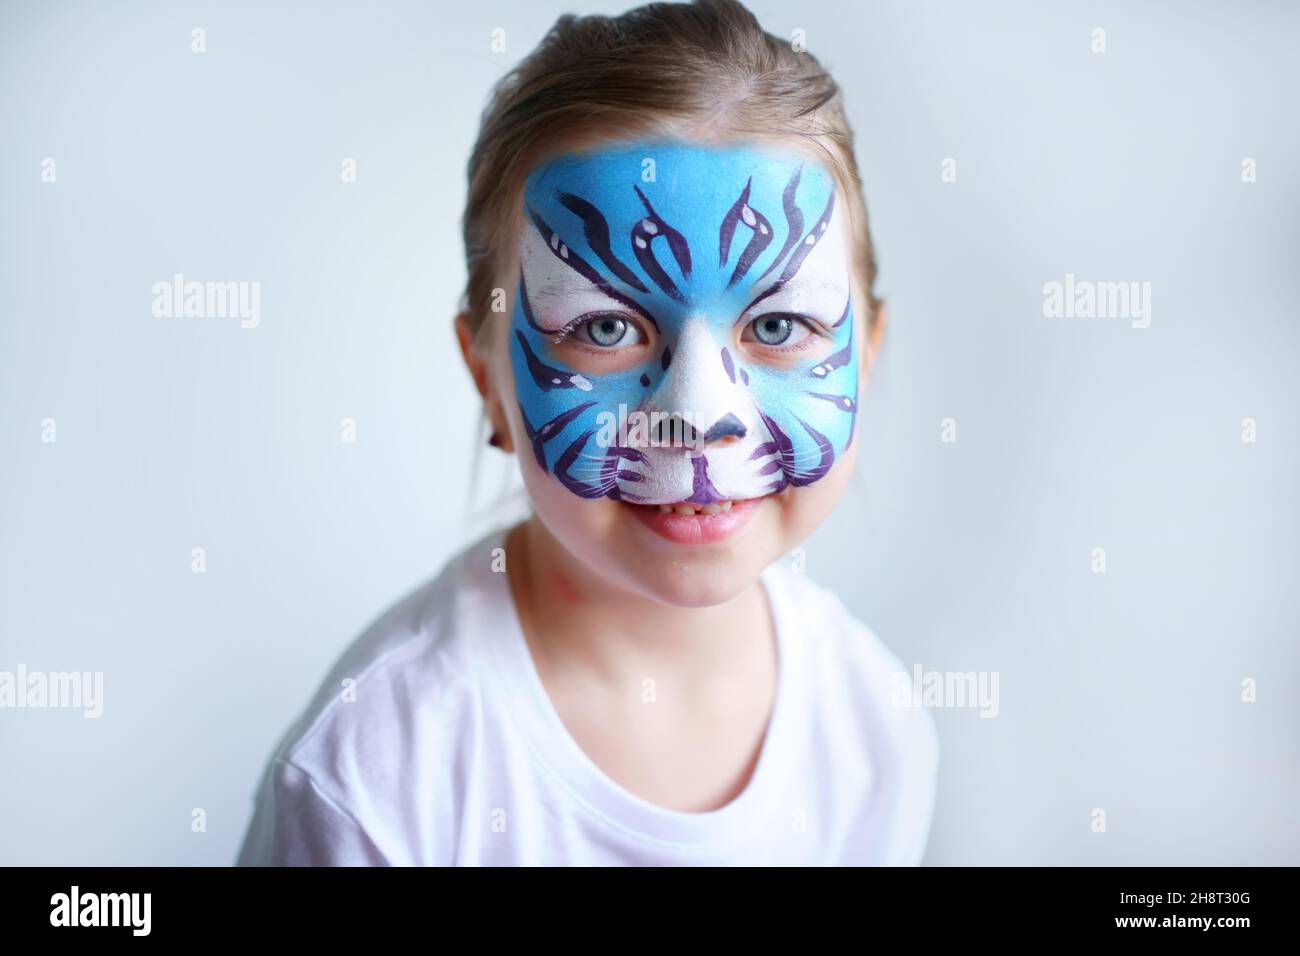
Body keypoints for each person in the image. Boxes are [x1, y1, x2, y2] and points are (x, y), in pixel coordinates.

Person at [237, 0, 937, 866]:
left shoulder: (871, 723)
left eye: (779, 326)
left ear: (867, 356)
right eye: (606, 330)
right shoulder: (376, 776)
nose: (698, 416)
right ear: (488, 378)